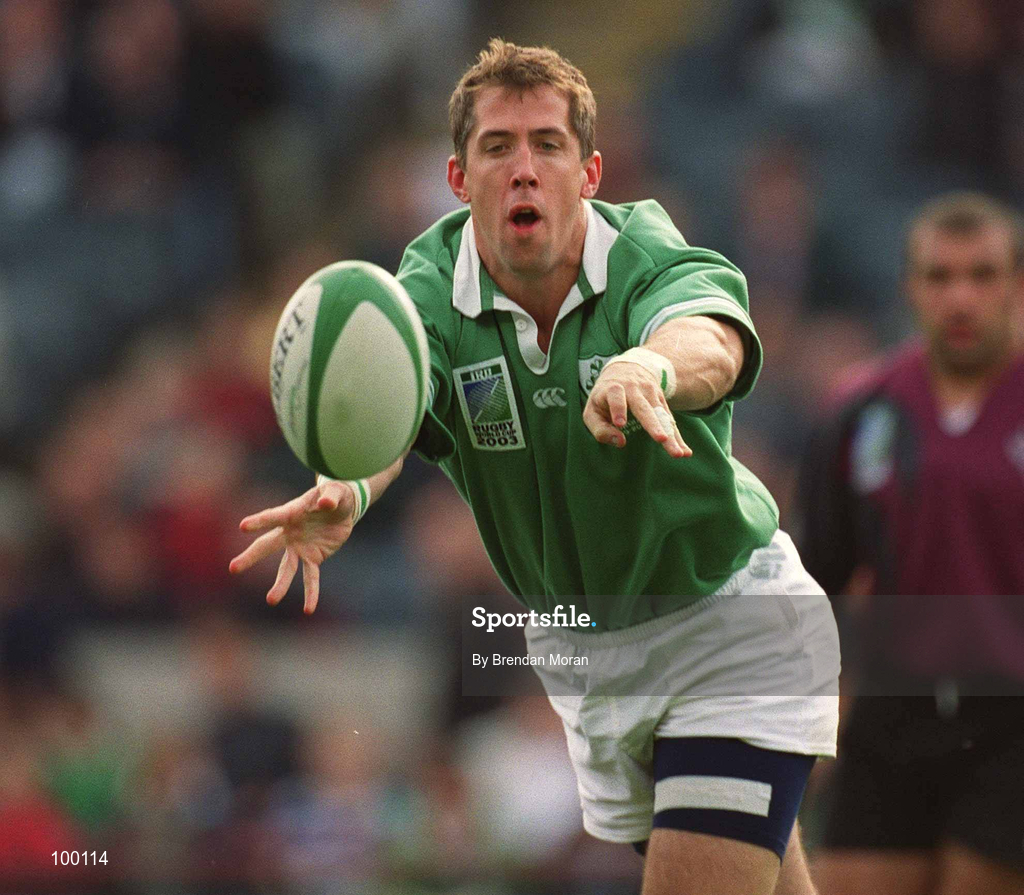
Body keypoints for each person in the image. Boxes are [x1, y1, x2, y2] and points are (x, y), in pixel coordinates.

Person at [231, 39, 840, 895]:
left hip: (726, 624)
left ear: (589, 172)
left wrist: (650, 366)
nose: (525, 169)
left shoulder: (641, 252)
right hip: (591, 650)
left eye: (548, 145)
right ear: (456, 177)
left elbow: (715, 336)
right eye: (497, 147)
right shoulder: (427, 293)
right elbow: (401, 405)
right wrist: (354, 482)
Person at [797, 192, 1024, 895]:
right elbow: (821, 571)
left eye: (982, 275)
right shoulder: (862, 410)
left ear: (1015, 284)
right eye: (940, 275)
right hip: (893, 709)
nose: (962, 296)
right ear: (910, 287)